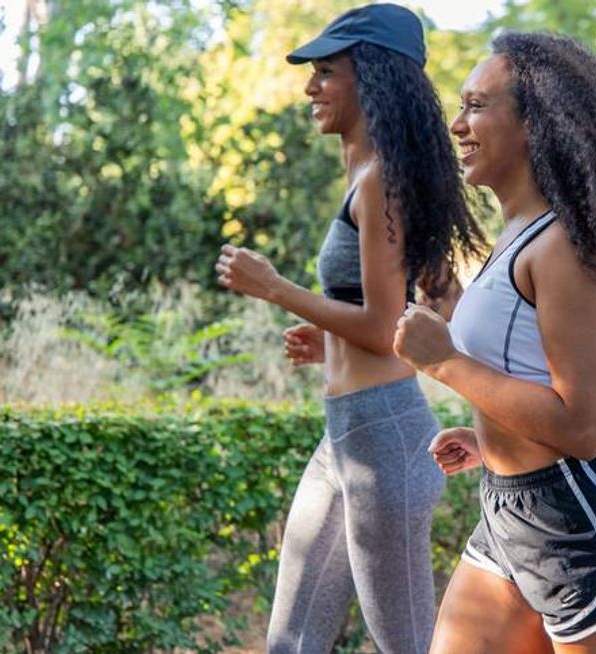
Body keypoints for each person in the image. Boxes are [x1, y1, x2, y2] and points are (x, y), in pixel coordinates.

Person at [392, 32, 596, 653]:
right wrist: (496, 438)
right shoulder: (521, 235)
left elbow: (586, 425)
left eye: (476, 106)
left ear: (537, 123)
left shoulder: (565, 247)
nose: (457, 124)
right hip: (510, 511)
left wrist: (445, 362)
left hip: (587, 521)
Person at [213, 5, 484, 653]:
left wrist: (275, 288)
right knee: (291, 641)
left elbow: (384, 322)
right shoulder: (373, 175)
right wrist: (331, 340)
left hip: (385, 442)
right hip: (346, 438)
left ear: (372, 79)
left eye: (326, 72)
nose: (310, 87)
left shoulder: (381, 181)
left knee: (407, 646)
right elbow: (416, 307)